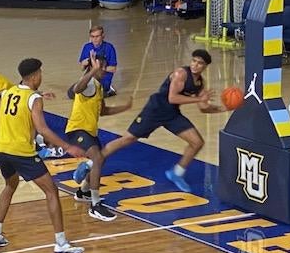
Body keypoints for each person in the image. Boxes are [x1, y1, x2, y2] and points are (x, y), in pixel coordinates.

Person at [74, 49, 223, 193]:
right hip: (155, 110)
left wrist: (223, 108)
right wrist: (198, 98)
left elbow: (203, 107)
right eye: (193, 61)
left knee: (197, 142)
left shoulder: (200, 83)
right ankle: (89, 163)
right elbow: (173, 98)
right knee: (127, 139)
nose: (195, 65)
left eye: (199, 63)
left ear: (205, 66)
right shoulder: (181, 74)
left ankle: (177, 172)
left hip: (171, 114)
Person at [0, 58, 86, 253]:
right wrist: (68, 146)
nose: (42, 76)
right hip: (21, 153)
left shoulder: (7, 93)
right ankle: (61, 243)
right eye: (40, 73)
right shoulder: (34, 99)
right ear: (34, 76)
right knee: (52, 192)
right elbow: (42, 128)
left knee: (10, 185)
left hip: (1, 150)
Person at [67, 51, 133, 221]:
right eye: (101, 67)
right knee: (97, 159)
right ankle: (95, 205)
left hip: (89, 131)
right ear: (94, 67)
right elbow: (76, 89)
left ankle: (83, 192)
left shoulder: (99, 87)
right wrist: (91, 70)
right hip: (77, 129)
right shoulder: (88, 83)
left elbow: (103, 111)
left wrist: (124, 108)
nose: (104, 70)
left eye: (103, 67)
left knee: (100, 159)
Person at [78, 25, 118, 97]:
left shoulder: (109, 48)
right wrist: (83, 64)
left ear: (103, 36)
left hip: (104, 80)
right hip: (90, 78)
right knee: (74, 92)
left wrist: (98, 68)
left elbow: (113, 69)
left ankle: (108, 91)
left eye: (97, 36)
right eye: (92, 37)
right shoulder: (87, 47)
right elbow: (82, 69)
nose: (94, 39)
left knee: (94, 93)